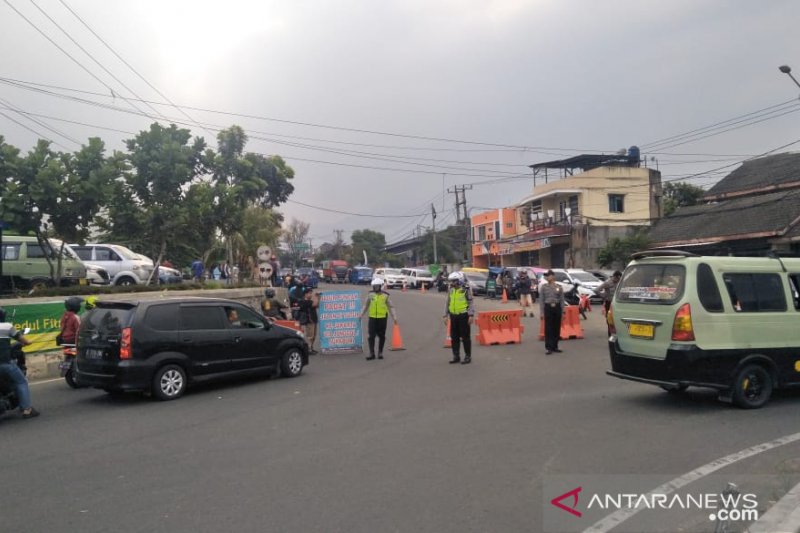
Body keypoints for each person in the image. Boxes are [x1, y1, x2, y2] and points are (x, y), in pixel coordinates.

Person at [0, 307, 39, 419]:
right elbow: (23, 340)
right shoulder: (7, 326)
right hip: (5, 363)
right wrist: (28, 342)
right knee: (21, 382)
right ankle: (27, 410)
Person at [359, 277, 398, 360]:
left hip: (382, 318)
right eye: (374, 286)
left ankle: (380, 352)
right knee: (371, 336)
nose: (375, 288)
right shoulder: (370, 295)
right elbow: (366, 305)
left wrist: (394, 317)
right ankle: (371, 353)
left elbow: (391, 307)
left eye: (377, 286)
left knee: (382, 336)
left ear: (381, 286)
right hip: (372, 318)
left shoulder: (385, 296)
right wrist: (361, 314)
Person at [443, 271, 475, 365]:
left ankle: (467, 356)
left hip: (463, 316)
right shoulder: (451, 290)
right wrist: (445, 315)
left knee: (465, 337)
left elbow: (470, 302)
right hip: (453, 316)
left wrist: (471, 315)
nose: (451, 283)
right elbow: (447, 302)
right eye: (451, 281)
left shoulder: (466, 289)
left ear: (459, 280)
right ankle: (456, 356)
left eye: (453, 281)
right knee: (454, 337)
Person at [539, 270, 565, 355]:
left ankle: (555, 346)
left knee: (556, 327)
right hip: (548, 307)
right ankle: (549, 348)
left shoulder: (559, 287)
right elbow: (541, 300)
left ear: (553, 276)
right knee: (548, 328)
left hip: (557, 308)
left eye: (548, 275)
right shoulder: (543, 287)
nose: (547, 277)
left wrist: (563, 312)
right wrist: (542, 312)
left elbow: (561, 300)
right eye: (546, 276)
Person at [297, 288, 319, 355]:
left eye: (311, 293)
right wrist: (316, 297)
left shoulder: (309, 301)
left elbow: (317, 305)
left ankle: (311, 348)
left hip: (313, 320)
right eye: (309, 293)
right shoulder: (303, 301)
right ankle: (308, 349)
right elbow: (315, 304)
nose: (311, 295)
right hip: (308, 321)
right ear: (305, 294)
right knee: (310, 336)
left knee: (314, 336)